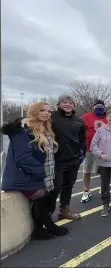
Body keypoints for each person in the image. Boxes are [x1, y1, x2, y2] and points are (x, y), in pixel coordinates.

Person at [1, 102, 69, 240]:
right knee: (42, 200)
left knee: (43, 201)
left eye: (49, 111)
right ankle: (50, 227)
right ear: (34, 112)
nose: (46, 113)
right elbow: (23, 157)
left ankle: (39, 230)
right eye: (42, 110)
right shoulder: (22, 129)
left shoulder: (45, 128)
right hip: (25, 176)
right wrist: (41, 173)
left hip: (43, 174)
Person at [51, 94, 86, 220]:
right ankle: (48, 214)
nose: (68, 105)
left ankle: (64, 210)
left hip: (73, 160)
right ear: (59, 104)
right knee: (55, 188)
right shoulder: (51, 117)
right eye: (65, 102)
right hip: (56, 161)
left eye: (71, 102)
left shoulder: (79, 121)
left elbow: (82, 139)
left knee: (68, 186)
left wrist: (83, 153)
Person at [81, 99, 111, 203]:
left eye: (101, 105)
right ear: (93, 106)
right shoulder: (86, 117)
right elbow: (80, 132)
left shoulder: (107, 118)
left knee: (104, 171)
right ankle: (86, 191)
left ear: (104, 107)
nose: (99, 107)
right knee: (87, 171)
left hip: (103, 149)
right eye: (97, 105)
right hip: (90, 149)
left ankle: (104, 188)